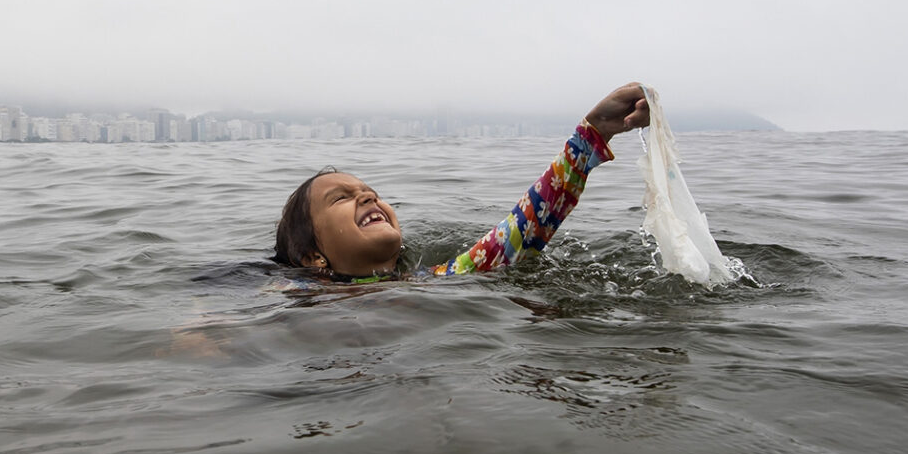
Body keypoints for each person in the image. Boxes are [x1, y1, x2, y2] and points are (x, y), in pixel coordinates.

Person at [272, 83, 651, 281]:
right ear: (313, 257)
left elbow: (520, 231)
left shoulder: (436, 279)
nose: (368, 196)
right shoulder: (296, 296)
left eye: (370, 192)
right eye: (341, 198)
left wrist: (590, 137)